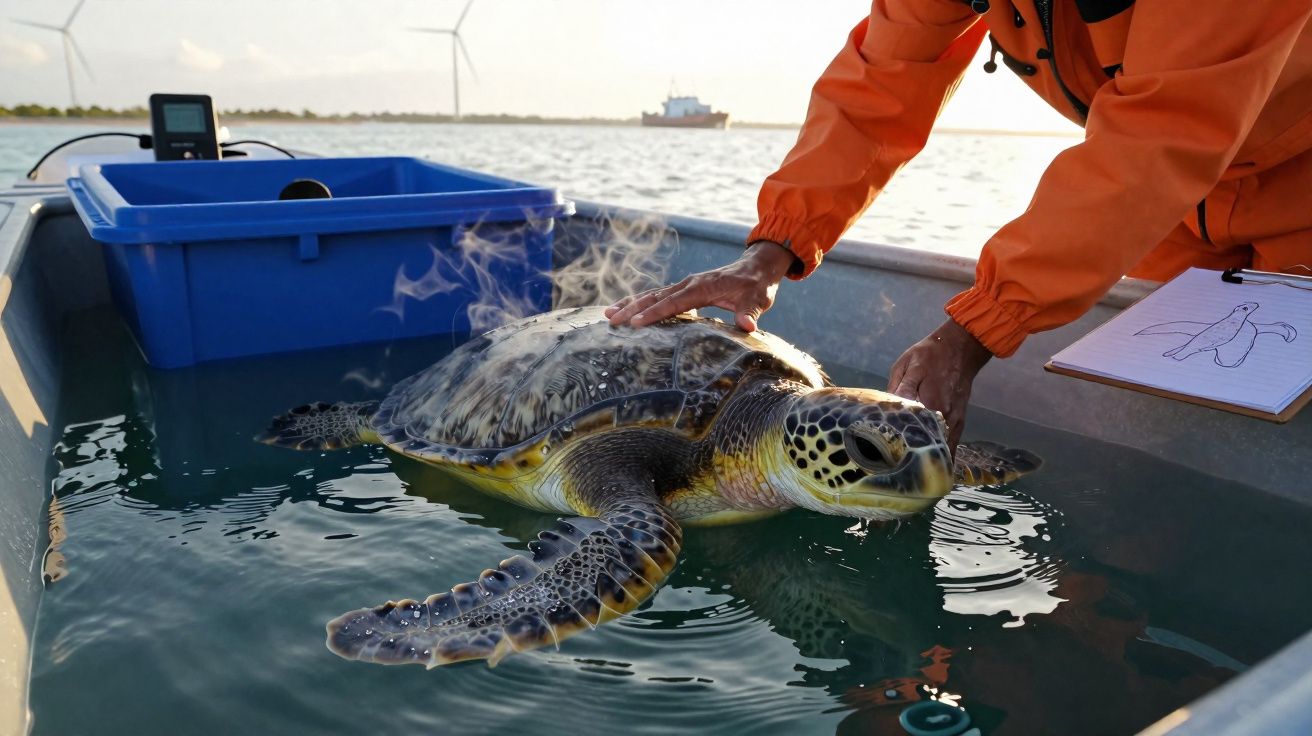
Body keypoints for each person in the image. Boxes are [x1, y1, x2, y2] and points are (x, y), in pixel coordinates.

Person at [607, 0, 1312, 447]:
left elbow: (1159, 135)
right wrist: (771, 249)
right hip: (1170, 215)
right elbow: (881, 84)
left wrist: (974, 331)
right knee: (1173, 440)